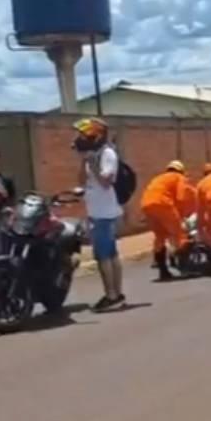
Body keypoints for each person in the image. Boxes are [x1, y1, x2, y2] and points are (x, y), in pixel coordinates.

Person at [73, 117, 125, 312]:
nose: (80, 139)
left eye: (85, 135)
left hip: (105, 213)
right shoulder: (93, 155)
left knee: (103, 255)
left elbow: (106, 182)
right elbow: (82, 180)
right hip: (96, 211)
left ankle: (111, 295)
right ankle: (116, 293)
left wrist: (92, 163)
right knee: (110, 254)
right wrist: (84, 162)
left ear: (97, 135)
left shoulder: (108, 154)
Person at [141, 160, 191, 281]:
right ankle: (185, 269)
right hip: (163, 204)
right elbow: (181, 197)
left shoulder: (159, 178)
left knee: (160, 237)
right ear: (181, 170)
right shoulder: (179, 177)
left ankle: (163, 272)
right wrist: (181, 214)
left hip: (146, 205)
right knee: (180, 236)